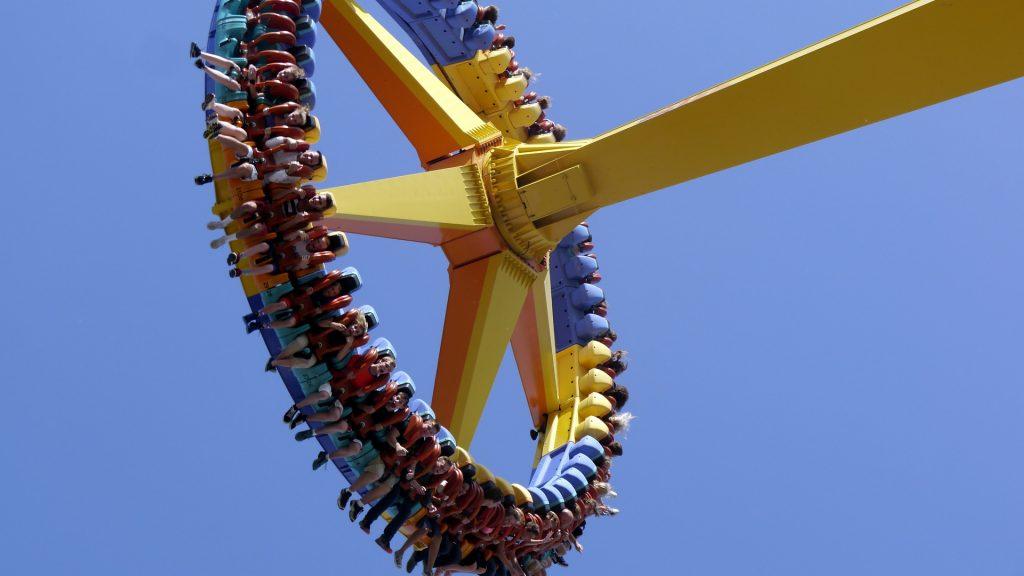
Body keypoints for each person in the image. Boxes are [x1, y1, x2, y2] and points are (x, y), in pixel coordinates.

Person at [269, 308, 367, 370]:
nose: (354, 330)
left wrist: (348, 345)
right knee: (300, 342)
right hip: (312, 339)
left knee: (308, 363)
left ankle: (276, 362)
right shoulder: (339, 321)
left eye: (357, 332)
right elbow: (319, 323)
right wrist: (332, 324)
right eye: (355, 327)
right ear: (353, 324)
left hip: (319, 353)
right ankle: (276, 361)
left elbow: (339, 358)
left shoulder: (349, 344)